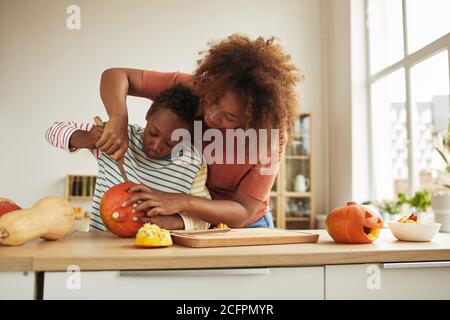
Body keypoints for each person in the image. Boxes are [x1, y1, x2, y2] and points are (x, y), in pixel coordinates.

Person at [97, 34, 301, 228]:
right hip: (186, 218)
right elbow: (116, 75)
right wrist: (118, 119)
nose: (212, 116)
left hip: (245, 225)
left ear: (252, 120)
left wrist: (183, 202)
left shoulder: (268, 139)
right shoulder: (193, 88)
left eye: (229, 117)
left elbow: (243, 211)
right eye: (212, 101)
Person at [45, 84, 210, 231]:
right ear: (149, 115)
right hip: (101, 249)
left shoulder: (193, 163)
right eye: (153, 133)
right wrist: (87, 138)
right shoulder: (119, 137)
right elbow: (53, 131)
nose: (156, 145)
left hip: (156, 254)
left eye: (170, 142)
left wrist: (175, 222)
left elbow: (205, 219)